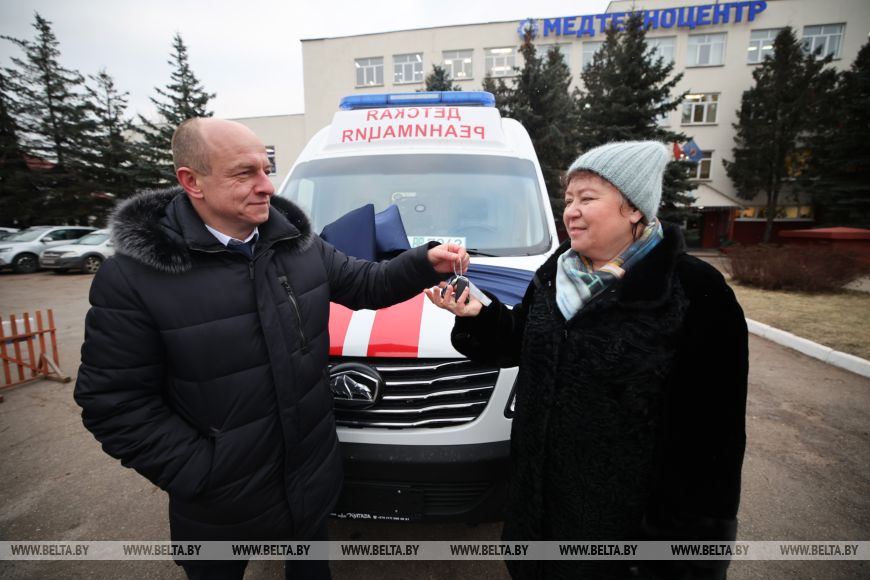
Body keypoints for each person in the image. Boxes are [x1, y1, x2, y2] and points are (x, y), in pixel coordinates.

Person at [74, 117, 468, 580]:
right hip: (220, 507)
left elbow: (366, 284)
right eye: (245, 173)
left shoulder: (297, 245)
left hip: (310, 483)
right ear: (191, 182)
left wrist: (423, 262)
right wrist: (204, 473)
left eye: (266, 169)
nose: (267, 186)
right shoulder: (134, 277)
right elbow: (113, 404)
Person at [426, 141, 748, 579]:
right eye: (569, 199)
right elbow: (524, 341)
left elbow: (713, 445)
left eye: (588, 198)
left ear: (633, 209)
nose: (570, 211)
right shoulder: (556, 272)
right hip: (538, 523)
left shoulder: (694, 292)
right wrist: (479, 316)